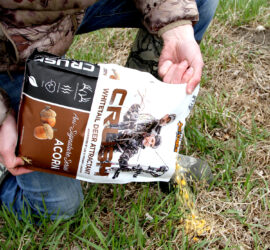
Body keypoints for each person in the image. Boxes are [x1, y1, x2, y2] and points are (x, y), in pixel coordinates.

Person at [0, 0, 219, 220]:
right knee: (58, 206)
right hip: (8, 51)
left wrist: (177, 27)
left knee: (196, 4)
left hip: (64, 14)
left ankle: (148, 163)